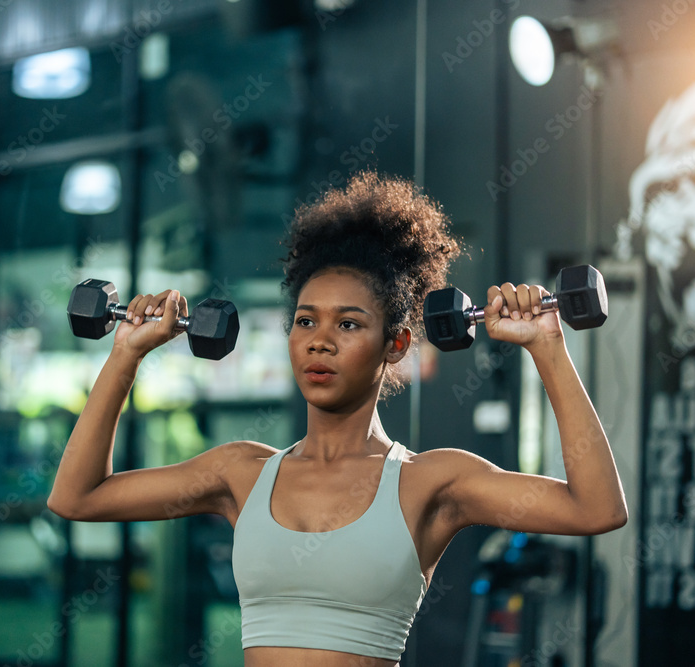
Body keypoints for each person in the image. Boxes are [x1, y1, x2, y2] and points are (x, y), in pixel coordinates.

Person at [48, 170, 628, 667]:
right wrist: (126, 352)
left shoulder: (430, 482)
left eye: (348, 324)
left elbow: (597, 508)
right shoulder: (241, 474)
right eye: (305, 322)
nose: (319, 342)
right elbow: (78, 497)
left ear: (396, 344)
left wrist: (546, 346)